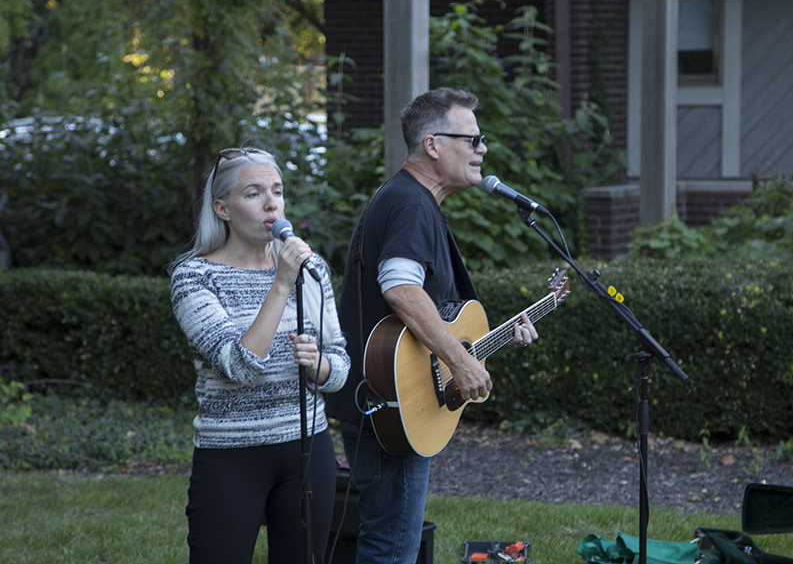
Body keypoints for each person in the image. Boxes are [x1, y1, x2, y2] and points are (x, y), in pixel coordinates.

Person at [326, 87, 538, 564]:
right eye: (473, 138)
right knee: (392, 547)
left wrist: (484, 341)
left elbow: (427, 313)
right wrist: (460, 358)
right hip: (388, 403)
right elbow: (400, 289)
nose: (483, 149)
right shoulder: (412, 203)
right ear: (433, 145)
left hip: (388, 396)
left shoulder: (406, 199)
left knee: (387, 540)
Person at [169, 147, 350, 564]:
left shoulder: (312, 268)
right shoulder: (195, 276)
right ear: (223, 209)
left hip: (307, 447)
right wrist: (281, 284)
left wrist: (318, 364)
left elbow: (339, 363)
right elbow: (238, 364)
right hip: (231, 454)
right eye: (253, 194)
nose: (271, 203)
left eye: (277, 191)